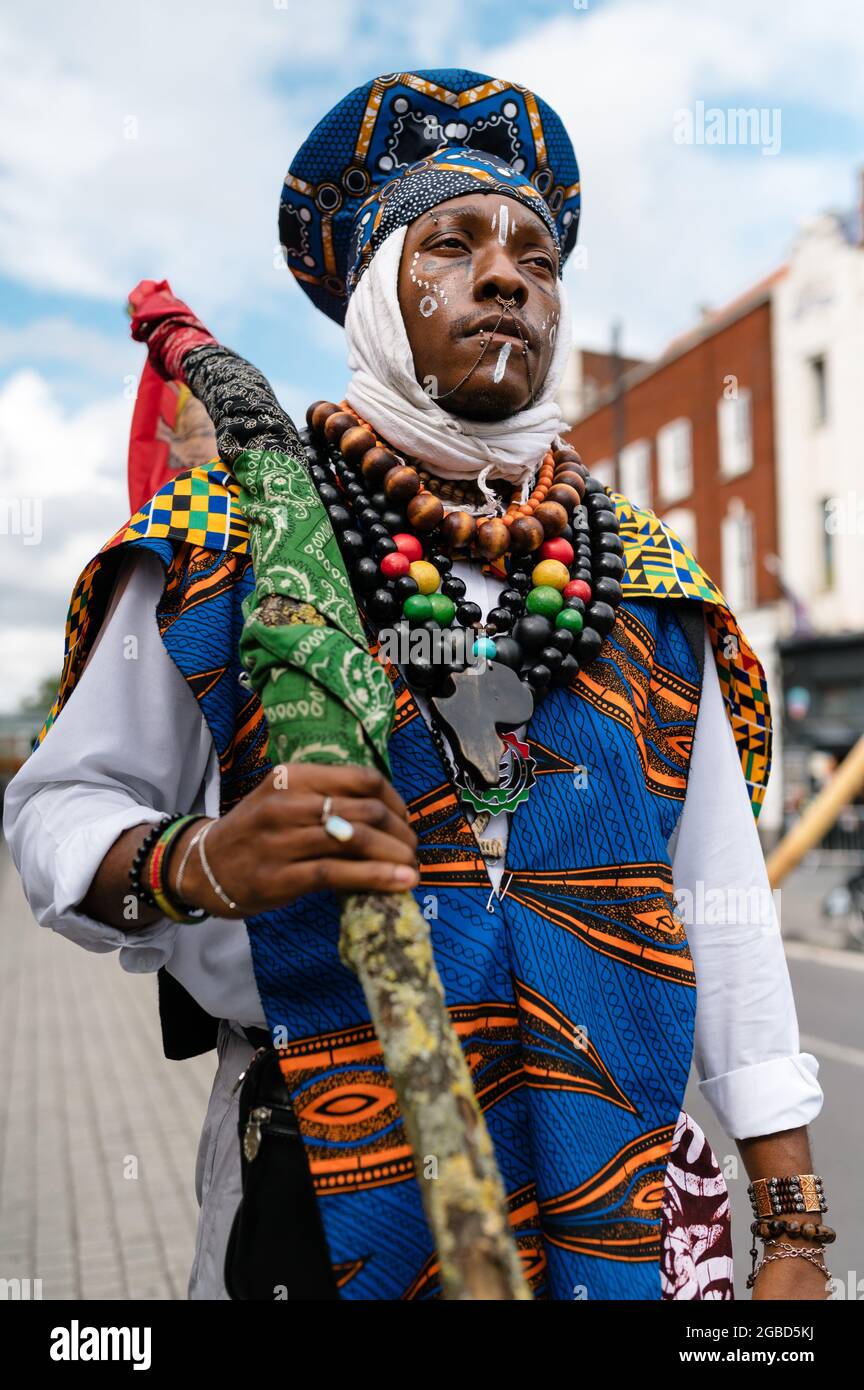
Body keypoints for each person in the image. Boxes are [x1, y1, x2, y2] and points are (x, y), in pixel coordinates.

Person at [4, 69, 828, 1302]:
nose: (508, 276)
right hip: (326, 1202)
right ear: (378, 295)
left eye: (537, 258)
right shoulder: (222, 543)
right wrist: (203, 861)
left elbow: (721, 901)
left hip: (632, 1217)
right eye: (453, 242)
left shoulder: (655, 588)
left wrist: (797, 1228)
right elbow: (53, 818)